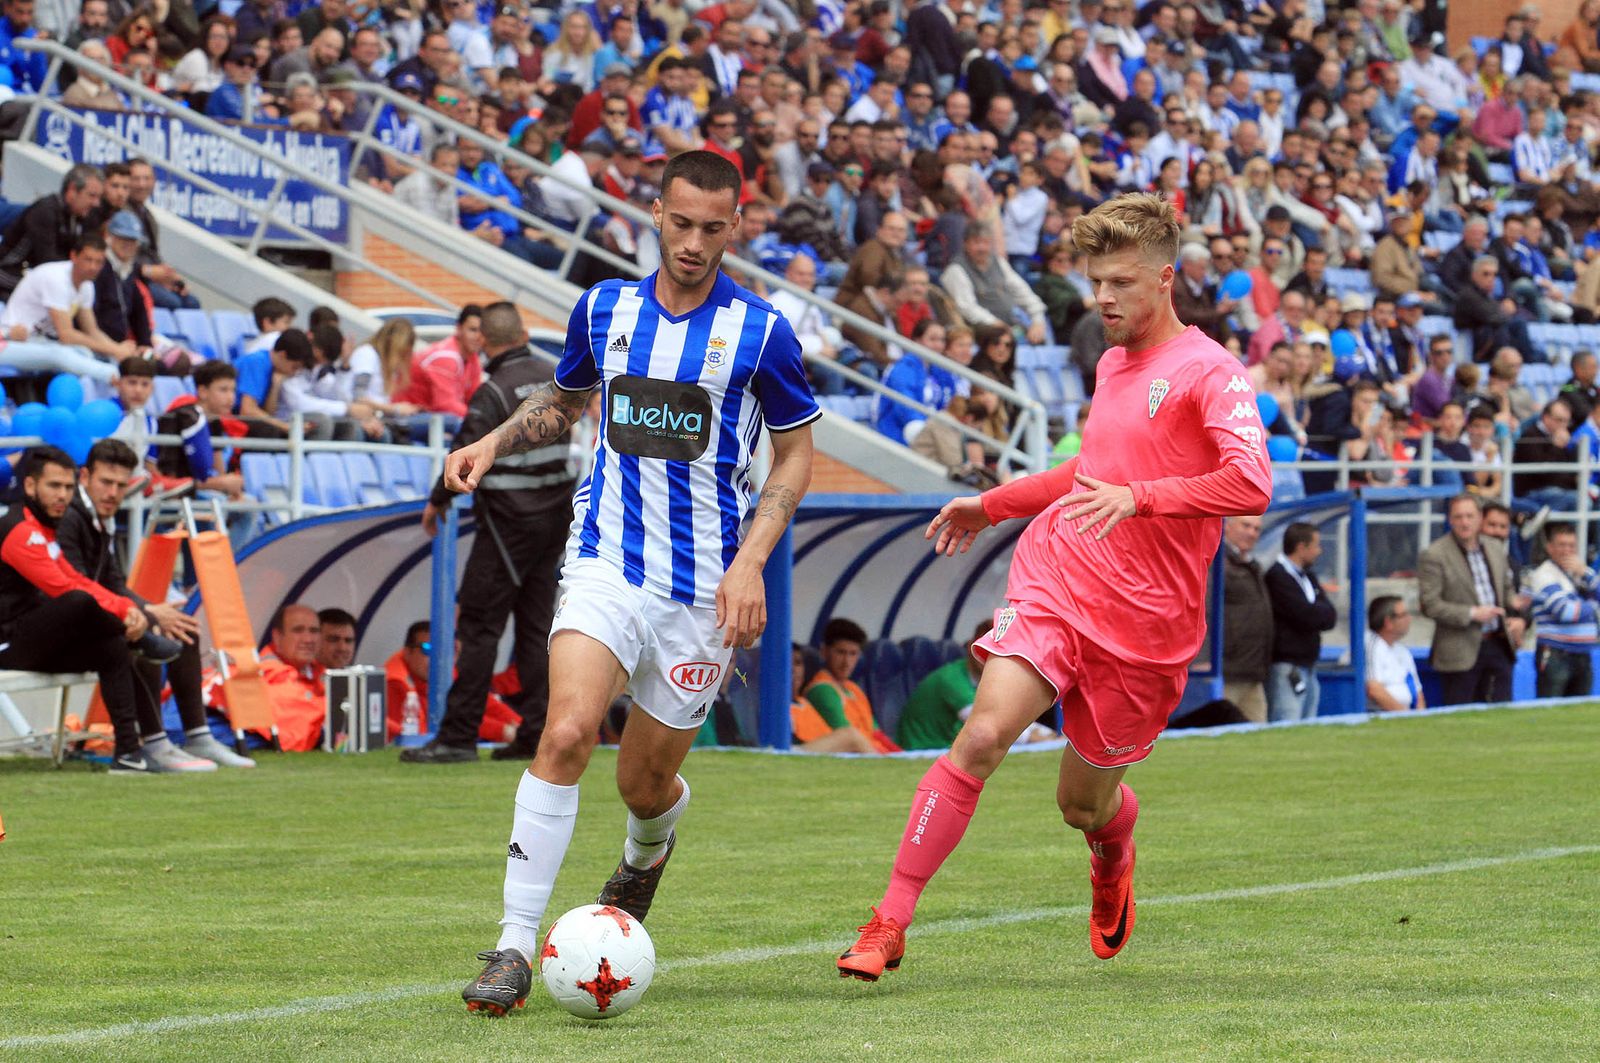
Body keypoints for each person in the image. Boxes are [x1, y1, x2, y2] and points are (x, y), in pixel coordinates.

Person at [835, 192, 1273, 981]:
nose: (1102, 298)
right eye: (1094, 280)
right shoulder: (1109, 361)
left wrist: (1142, 497)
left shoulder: (1211, 371)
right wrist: (993, 503)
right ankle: (887, 921)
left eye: (1121, 282)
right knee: (980, 736)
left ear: (1166, 280)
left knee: (1082, 804)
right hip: (1060, 581)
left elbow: (1250, 479)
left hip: (1146, 626)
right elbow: (1092, 473)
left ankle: (1113, 846)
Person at [438, 151, 818, 1015]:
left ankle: (647, 851)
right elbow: (566, 401)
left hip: (703, 590)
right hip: (606, 558)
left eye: (712, 229)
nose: (693, 243)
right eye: (680, 223)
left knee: (643, 787)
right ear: (656, 212)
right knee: (566, 729)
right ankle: (509, 947)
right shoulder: (603, 307)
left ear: (736, 225)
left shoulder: (760, 331)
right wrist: (491, 443)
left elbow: (796, 451)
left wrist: (751, 561)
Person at [401, 302, 579, 765]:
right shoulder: (554, 376)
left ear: (484, 341)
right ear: (523, 332)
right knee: (538, 628)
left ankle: (458, 737)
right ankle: (537, 734)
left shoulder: (491, 393)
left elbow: (464, 455)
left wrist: (436, 502)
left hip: (506, 523)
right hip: (555, 520)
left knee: (480, 628)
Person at [56, 439, 255, 769]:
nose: (113, 493)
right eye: (106, 482)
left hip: (89, 616)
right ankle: (154, 743)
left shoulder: (97, 517)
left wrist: (156, 612)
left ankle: (198, 735)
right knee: (136, 633)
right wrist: (146, 613)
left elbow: (115, 585)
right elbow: (76, 585)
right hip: (63, 627)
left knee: (179, 626)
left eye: (121, 486)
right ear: (85, 477)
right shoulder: (69, 519)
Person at [0, 447, 184, 773]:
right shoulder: (19, 530)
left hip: (25, 639)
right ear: (30, 487)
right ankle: (138, 639)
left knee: (109, 646)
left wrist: (127, 609)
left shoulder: (42, 528)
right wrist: (126, 617)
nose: (62, 496)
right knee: (78, 603)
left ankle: (129, 752)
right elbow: (64, 588)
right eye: (54, 486)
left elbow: (75, 578)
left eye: (68, 488)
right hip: (7, 644)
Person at [1419, 494, 1524, 706]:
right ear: (1450, 520)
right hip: (1459, 649)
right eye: (1458, 517)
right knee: (1460, 716)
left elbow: (1506, 591)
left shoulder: (1494, 548)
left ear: (1480, 519)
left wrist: (1519, 611)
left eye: (1469, 516)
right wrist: (1471, 613)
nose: (1464, 522)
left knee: (1503, 713)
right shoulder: (1435, 554)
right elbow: (1430, 604)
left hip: (1498, 642)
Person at [0, 234, 130, 382]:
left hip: (39, 341)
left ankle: (127, 371)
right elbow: (66, 335)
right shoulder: (56, 278)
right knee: (58, 355)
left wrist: (120, 351)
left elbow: (92, 330)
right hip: (10, 340)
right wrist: (115, 350)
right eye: (88, 260)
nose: (93, 267)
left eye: (99, 262)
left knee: (84, 353)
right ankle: (118, 377)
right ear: (74, 256)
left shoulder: (86, 286)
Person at [387, 620, 524, 743]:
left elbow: (483, 702)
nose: (437, 658)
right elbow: (438, 720)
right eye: (427, 649)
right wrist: (502, 731)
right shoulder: (395, 680)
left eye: (447, 650)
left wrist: (521, 727)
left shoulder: (446, 670)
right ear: (407, 652)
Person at [1263, 521, 1336, 724]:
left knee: (1308, 724)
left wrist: (1316, 612)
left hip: (1309, 664)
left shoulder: (1308, 577)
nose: (1319, 551)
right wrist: (1315, 612)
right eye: (1316, 545)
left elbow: (1330, 615)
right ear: (1301, 547)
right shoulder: (1277, 576)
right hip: (1287, 666)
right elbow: (1304, 614)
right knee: (1287, 721)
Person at [0, 164, 104, 298]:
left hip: (36, 275)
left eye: (98, 197)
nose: (96, 203)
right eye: (92, 195)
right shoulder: (45, 211)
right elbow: (48, 262)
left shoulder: (79, 215)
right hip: (8, 273)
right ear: (72, 190)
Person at [803, 618, 899, 754]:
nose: (846, 662)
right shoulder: (822, 690)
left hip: (874, 752)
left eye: (853, 654)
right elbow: (849, 739)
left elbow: (876, 733)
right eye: (841, 652)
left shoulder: (854, 689)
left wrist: (900, 754)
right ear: (824, 652)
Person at [1527, 524, 1600, 699]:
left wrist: (1586, 573)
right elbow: (1567, 612)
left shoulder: (1578, 574)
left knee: (1578, 717)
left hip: (1583, 654)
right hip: (1556, 655)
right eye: (1562, 545)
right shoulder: (1544, 574)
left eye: (1571, 545)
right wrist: (1594, 604)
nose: (1567, 550)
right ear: (1549, 547)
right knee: (1550, 713)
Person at [895, 621, 991, 751]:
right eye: (984, 649)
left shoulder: (989, 679)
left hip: (945, 747)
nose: (988, 656)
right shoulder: (951, 679)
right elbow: (985, 727)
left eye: (996, 650)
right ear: (970, 646)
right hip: (922, 749)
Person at [1220, 513, 1272, 723]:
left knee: (1259, 741)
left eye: (1257, 529)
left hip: (1253, 673)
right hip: (1226, 672)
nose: (1251, 533)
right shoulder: (1217, 562)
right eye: (1246, 525)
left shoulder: (1252, 565)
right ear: (1227, 527)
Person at [788, 644, 876, 753]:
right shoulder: (772, 705)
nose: (793, 669)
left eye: (798, 663)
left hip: (820, 756)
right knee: (851, 736)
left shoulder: (804, 702)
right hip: (795, 756)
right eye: (785, 663)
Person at [1365, 595, 1424, 712]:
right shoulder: (1370, 645)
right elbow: (1373, 689)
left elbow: (1417, 691)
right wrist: (1405, 716)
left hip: (1405, 716)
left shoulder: (1403, 651)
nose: (1409, 619)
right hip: (1379, 716)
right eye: (1403, 615)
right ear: (1388, 622)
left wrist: (1420, 717)